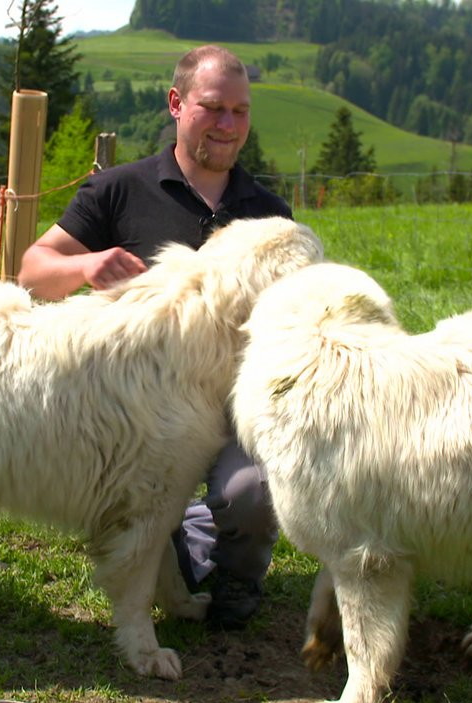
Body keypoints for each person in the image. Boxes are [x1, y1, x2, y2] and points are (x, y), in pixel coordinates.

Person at [18, 44, 292, 629]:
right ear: (176, 103)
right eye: (212, 107)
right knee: (139, 507)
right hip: (139, 414)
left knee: (249, 492)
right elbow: (32, 272)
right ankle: (168, 545)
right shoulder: (118, 189)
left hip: (231, 406)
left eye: (240, 111)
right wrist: (85, 265)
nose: (227, 125)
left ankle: (236, 573)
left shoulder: (269, 215)